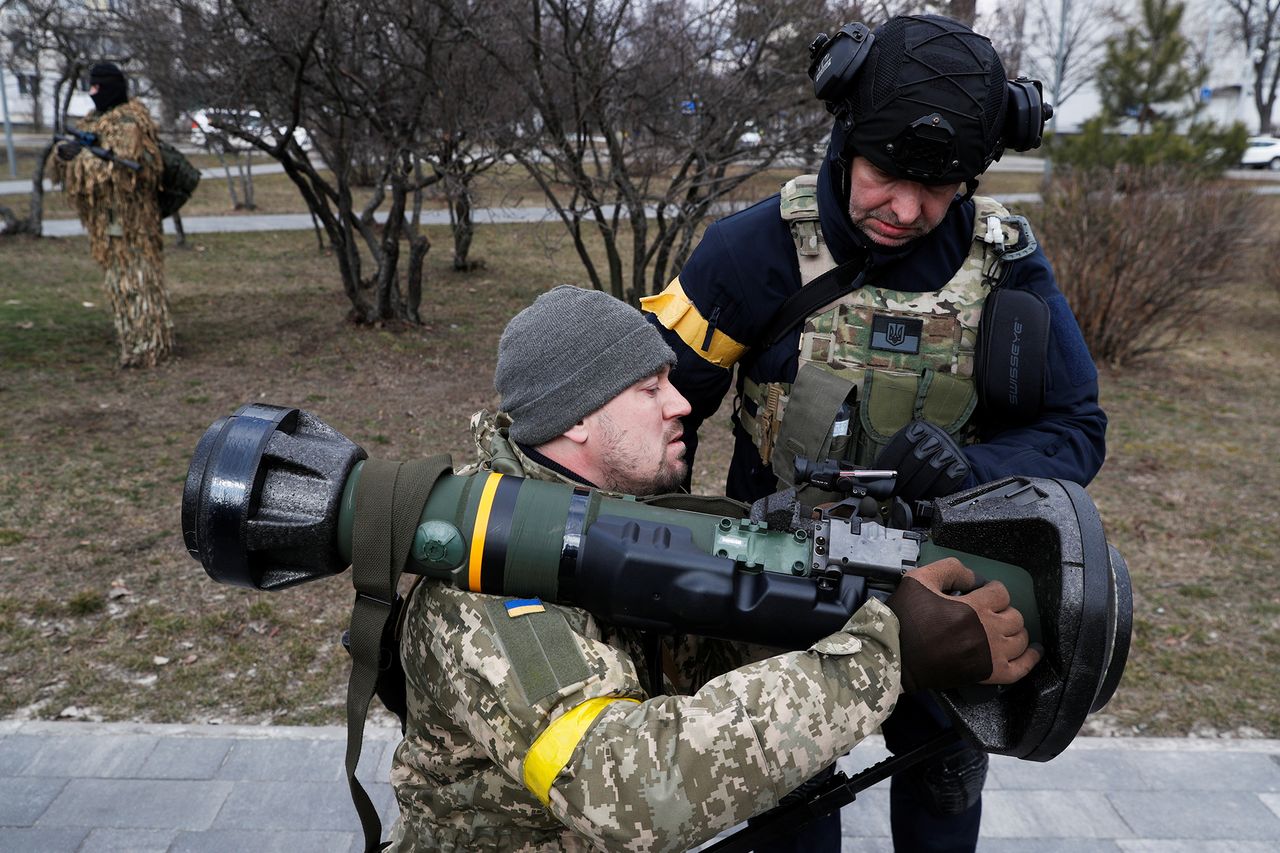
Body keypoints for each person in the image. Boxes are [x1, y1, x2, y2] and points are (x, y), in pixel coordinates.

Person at [641, 13, 1107, 853]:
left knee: (942, 775)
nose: (906, 206)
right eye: (887, 172)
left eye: (941, 185)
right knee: (791, 798)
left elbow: (1076, 429)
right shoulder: (751, 254)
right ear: (846, 134)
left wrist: (973, 466)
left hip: (946, 587)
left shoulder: (1007, 268)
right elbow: (653, 417)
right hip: (778, 586)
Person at [385, 285, 1040, 852]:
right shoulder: (490, 585)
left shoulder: (609, 521)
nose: (681, 404)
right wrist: (882, 653)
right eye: (650, 389)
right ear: (576, 419)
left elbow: (688, 672)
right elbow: (631, 791)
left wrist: (814, 581)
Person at [49, 62, 174, 368]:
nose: (93, 94)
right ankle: (130, 340)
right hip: (106, 226)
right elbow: (65, 172)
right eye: (90, 87)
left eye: (99, 87)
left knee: (141, 283)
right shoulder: (93, 121)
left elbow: (119, 173)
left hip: (134, 225)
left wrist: (79, 159)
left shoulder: (131, 121)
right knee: (119, 284)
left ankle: (150, 344)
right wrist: (63, 156)